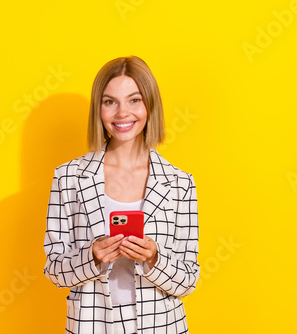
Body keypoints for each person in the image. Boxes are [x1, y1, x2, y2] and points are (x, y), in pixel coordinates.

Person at [43, 55, 199, 334]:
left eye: (134, 100)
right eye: (110, 101)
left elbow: (189, 279)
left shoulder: (179, 183)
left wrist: (154, 258)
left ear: (150, 104)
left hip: (162, 326)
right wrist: (91, 257)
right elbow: (54, 269)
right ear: (99, 109)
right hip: (91, 325)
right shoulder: (68, 177)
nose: (122, 113)